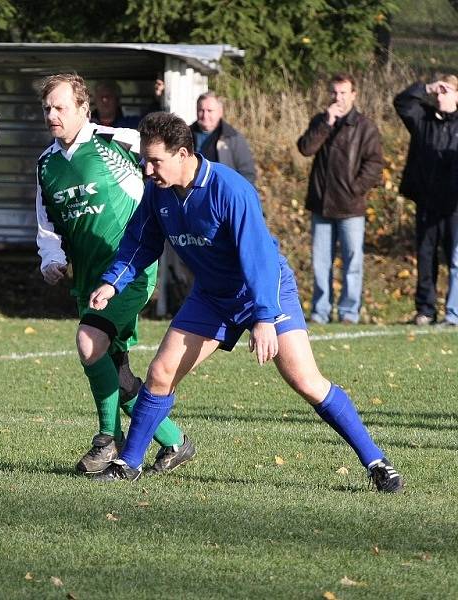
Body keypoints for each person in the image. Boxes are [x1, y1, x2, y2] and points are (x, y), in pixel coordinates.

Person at [88, 111, 404, 493]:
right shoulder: (158, 193)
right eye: (145, 158)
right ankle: (128, 463)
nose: (147, 167)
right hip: (212, 296)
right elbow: (140, 243)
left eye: (155, 160)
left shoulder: (230, 189)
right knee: (160, 373)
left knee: (305, 381)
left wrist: (265, 317)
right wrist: (112, 282)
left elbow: (259, 258)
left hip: (266, 288)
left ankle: (376, 461)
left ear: (184, 153)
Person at [36, 73, 195, 476]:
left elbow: (168, 161)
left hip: (128, 272)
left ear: (83, 109)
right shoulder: (47, 164)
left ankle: (108, 440)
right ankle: (176, 441)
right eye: (48, 108)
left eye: (61, 107)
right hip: (87, 278)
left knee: (90, 343)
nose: (53, 115)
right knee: (116, 372)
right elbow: (46, 223)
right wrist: (50, 257)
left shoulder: (116, 142)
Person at [297, 73, 384, 325]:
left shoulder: (365, 126)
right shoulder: (321, 121)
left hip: (351, 207)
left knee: (352, 262)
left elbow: (375, 163)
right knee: (321, 263)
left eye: (344, 93)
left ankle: (349, 312)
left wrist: (356, 188)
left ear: (354, 95)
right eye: (334, 93)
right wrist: (326, 123)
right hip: (321, 205)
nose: (338, 97)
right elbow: (305, 148)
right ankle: (320, 311)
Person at [394, 75, 458, 327]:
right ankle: (426, 309)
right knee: (426, 256)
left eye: (446, 91)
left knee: (454, 260)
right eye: (438, 92)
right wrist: (427, 87)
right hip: (427, 202)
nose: (441, 96)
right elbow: (401, 103)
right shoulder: (424, 120)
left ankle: (453, 312)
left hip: (454, 205)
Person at [191, 91, 256, 185]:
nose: (205, 115)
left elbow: (247, 174)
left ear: (220, 112)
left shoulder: (233, 138)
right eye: (201, 110)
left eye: (210, 111)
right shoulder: (185, 135)